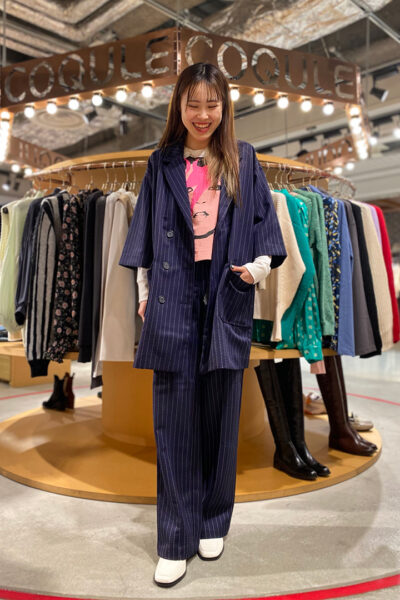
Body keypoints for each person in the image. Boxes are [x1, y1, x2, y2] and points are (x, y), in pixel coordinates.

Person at [119, 62, 286, 587]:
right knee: (173, 423)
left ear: (224, 107)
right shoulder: (162, 161)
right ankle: (174, 538)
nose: (202, 114)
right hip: (173, 294)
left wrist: (255, 271)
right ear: (179, 106)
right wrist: (144, 295)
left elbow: (266, 227)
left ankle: (213, 520)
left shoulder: (243, 158)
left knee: (220, 416)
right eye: (193, 103)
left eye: (212, 104)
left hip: (226, 291)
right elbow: (146, 236)